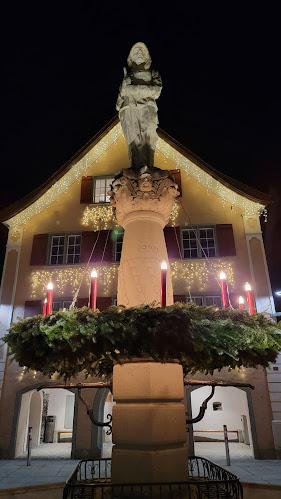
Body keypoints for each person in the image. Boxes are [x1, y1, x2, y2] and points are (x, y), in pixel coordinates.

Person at [116, 42, 162, 168]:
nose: (140, 53)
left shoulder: (153, 73)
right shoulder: (127, 78)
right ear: (131, 57)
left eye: (142, 51)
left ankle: (149, 168)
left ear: (147, 56)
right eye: (136, 52)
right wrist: (124, 88)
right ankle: (135, 167)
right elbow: (118, 103)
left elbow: (156, 91)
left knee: (149, 138)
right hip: (129, 109)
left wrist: (133, 89)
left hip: (147, 108)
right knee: (134, 140)